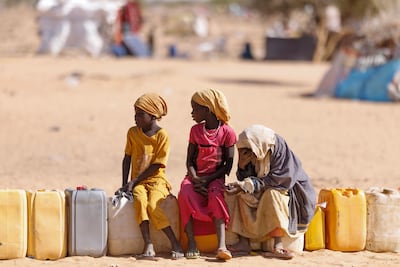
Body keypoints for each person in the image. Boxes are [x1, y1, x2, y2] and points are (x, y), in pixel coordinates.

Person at [226, 124, 316, 260]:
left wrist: (246, 184)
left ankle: (278, 245)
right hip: (263, 187)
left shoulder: (278, 150)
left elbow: (279, 180)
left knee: (272, 195)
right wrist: (242, 164)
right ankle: (244, 241)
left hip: (289, 190)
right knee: (241, 194)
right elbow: (246, 180)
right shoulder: (253, 151)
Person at [118, 93, 184, 260]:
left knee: (154, 205)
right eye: (135, 113)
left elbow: (157, 165)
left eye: (140, 114)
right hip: (138, 183)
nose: (136, 118)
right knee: (140, 201)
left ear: (153, 115)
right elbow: (127, 158)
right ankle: (148, 244)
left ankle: (175, 243)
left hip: (157, 181)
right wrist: (125, 184)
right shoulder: (132, 133)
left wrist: (134, 181)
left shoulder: (162, 136)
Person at [178, 88, 236, 260]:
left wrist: (208, 180)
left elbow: (228, 165)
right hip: (195, 176)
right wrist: (195, 178)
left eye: (195, 109)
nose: (192, 113)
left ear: (207, 110)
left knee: (216, 195)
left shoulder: (227, 132)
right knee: (185, 193)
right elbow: (189, 161)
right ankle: (192, 242)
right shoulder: (195, 131)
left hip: (215, 177)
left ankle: (221, 246)